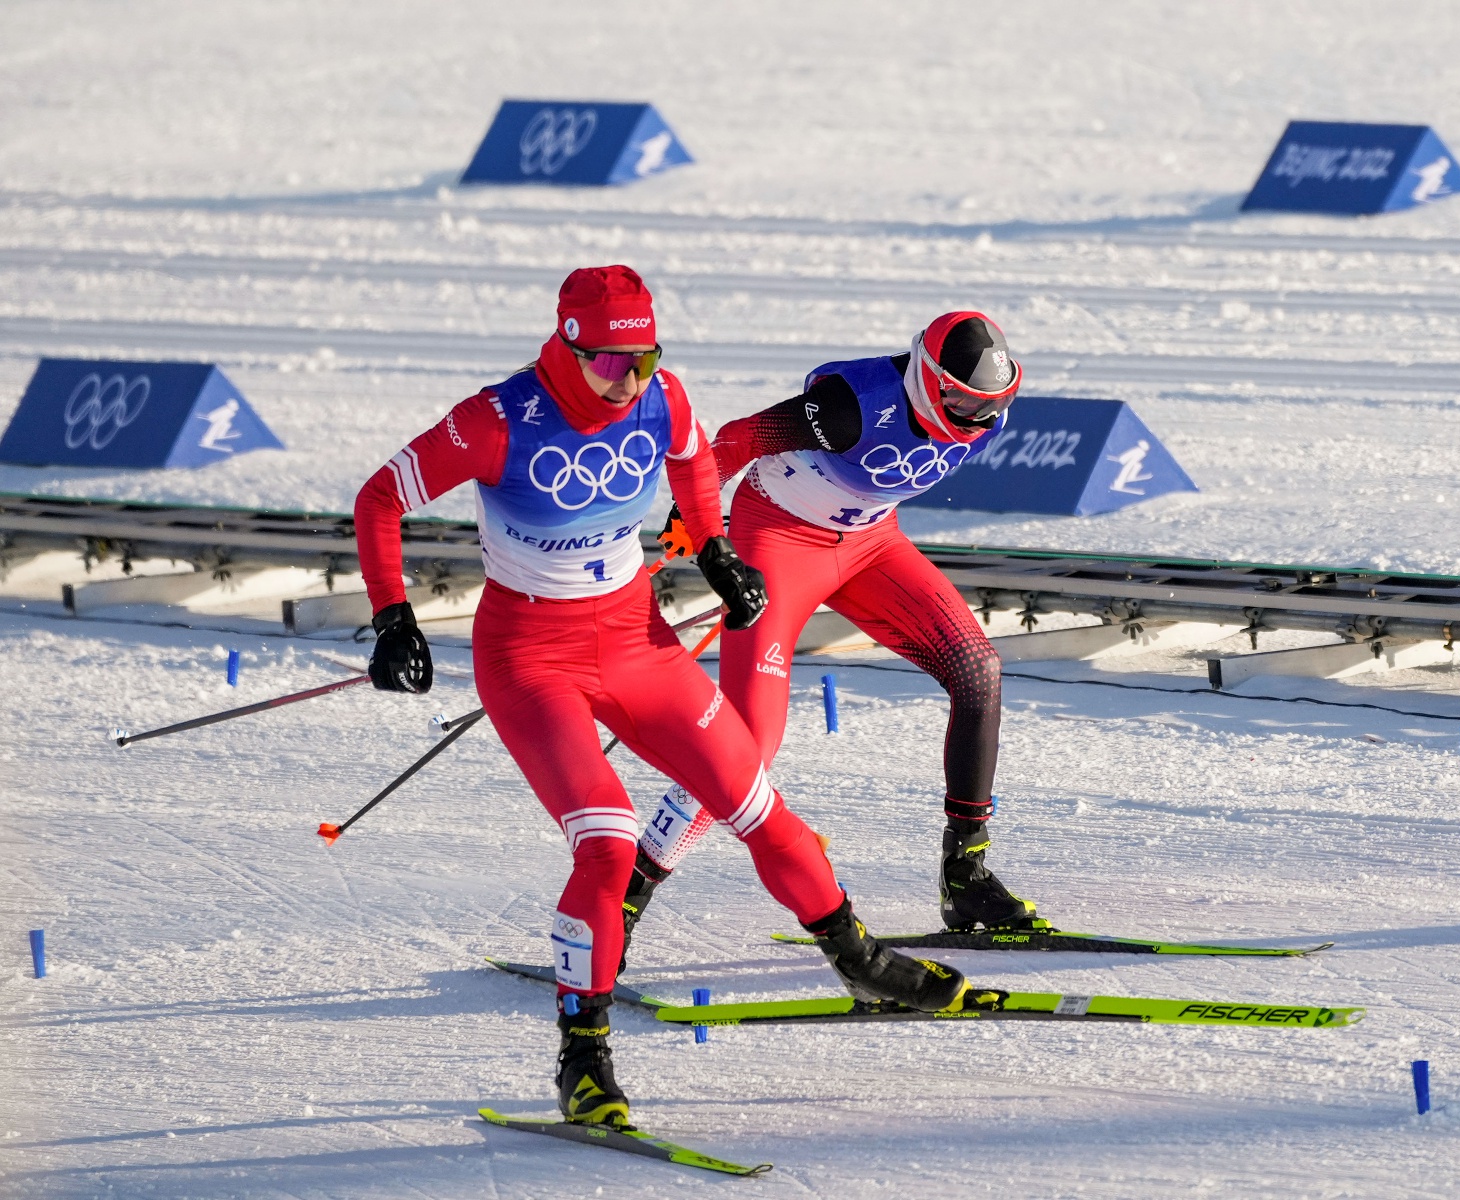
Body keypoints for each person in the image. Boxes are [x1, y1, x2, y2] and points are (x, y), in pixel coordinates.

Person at [352, 266, 965, 1129]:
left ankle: (855, 954)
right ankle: (583, 1056)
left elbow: (692, 462)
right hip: (532, 659)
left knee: (758, 802)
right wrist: (392, 617)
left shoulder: (662, 395)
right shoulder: (495, 420)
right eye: (610, 364)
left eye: (643, 360)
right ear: (567, 347)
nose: (628, 381)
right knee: (605, 849)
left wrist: (713, 550)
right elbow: (380, 497)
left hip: (637, 642)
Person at [623, 311, 1035, 961]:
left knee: (977, 669)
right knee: (749, 747)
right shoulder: (848, 407)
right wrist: (697, 524)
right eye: (958, 400)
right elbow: (730, 440)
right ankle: (622, 898)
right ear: (926, 379)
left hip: (869, 545)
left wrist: (978, 410)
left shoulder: (985, 416)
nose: (974, 420)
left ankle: (967, 878)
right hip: (779, 541)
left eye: (989, 405)